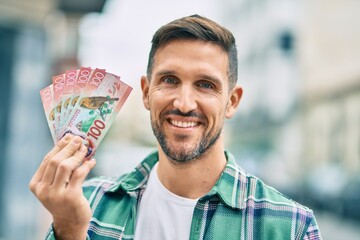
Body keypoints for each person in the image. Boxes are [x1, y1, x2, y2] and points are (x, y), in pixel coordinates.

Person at [29, 14, 322, 240]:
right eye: (169, 80)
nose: (183, 103)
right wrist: (69, 231)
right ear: (146, 92)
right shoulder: (87, 205)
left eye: (205, 85)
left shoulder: (290, 227)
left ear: (232, 101)